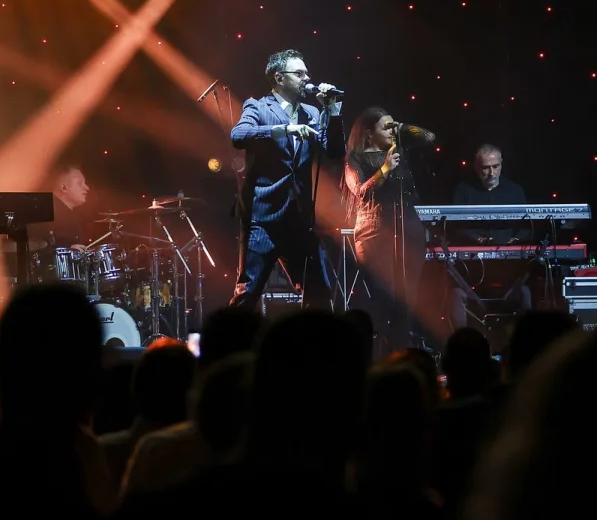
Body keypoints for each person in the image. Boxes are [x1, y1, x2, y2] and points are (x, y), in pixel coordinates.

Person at [228, 49, 344, 310]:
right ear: (279, 78)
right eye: (299, 73)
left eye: (307, 73)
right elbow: (239, 135)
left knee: (319, 292)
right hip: (263, 219)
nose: (307, 78)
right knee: (248, 293)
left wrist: (333, 111)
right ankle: (227, 334)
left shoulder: (311, 113)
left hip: (299, 220)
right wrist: (285, 129)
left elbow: (335, 152)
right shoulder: (258, 106)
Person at [344, 106, 432, 348]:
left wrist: (401, 127)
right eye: (386, 127)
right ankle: (375, 353)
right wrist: (384, 170)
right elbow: (361, 193)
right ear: (369, 134)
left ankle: (401, 351)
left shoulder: (398, 151)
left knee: (408, 300)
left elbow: (428, 137)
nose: (392, 131)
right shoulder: (355, 159)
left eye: (393, 126)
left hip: (408, 228)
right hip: (375, 232)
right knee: (385, 297)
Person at [445, 145, 533, 330]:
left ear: (502, 164)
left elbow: (527, 227)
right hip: (472, 270)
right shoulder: (463, 191)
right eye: (485, 168)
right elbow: (455, 227)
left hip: (508, 268)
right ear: (476, 167)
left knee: (524, 293)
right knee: (455, 296)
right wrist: (477, 240)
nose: (491, 173)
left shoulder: (514, 190)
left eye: (495, 166)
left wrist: (515, 241)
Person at [29, 166, 90, 251]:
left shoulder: (73, 216)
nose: (87, 188)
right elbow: (35, 247)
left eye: (85, 183)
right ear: (64, 187)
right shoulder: (44, 212)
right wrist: (66, 250)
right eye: (79, 183)